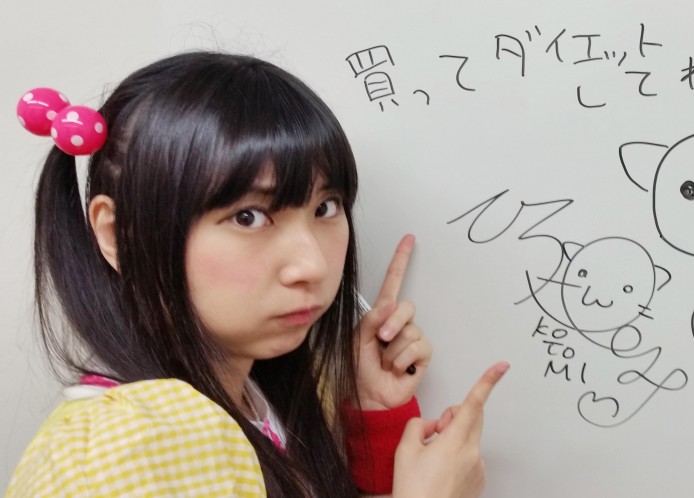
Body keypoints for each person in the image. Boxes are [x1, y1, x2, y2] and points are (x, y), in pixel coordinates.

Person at [7, 52, 508, 497]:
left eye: (326, 207)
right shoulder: (134, 444)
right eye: (248, 216)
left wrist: (371, 412)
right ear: (119, 234)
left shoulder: (252, 398)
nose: (312, 264)